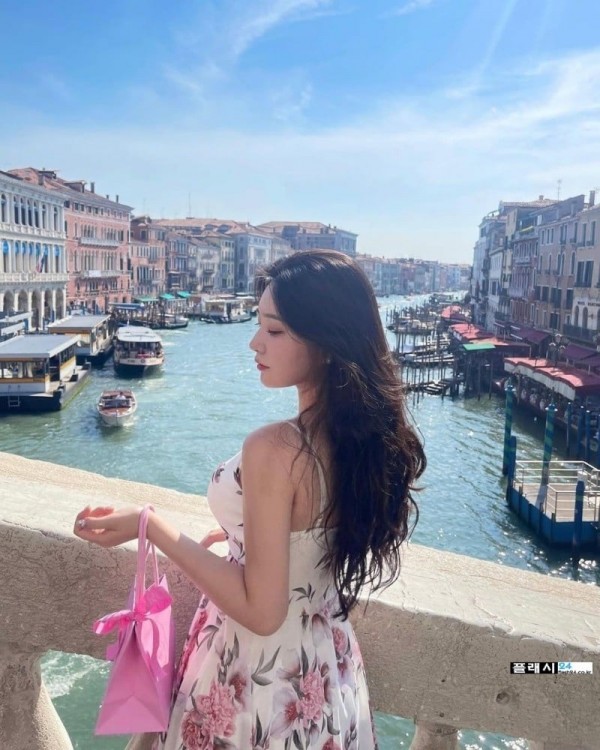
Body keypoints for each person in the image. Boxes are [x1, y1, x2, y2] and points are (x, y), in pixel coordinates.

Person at [74, 249, 426, 749]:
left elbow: (262, 611)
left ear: (328, 342)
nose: (254, 341)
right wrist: (247, 536)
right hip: (328, 675)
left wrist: (151, 526)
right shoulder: (362, 441)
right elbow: (311, 532)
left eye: (274, 330)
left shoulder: (276, 448)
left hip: (257, 686)